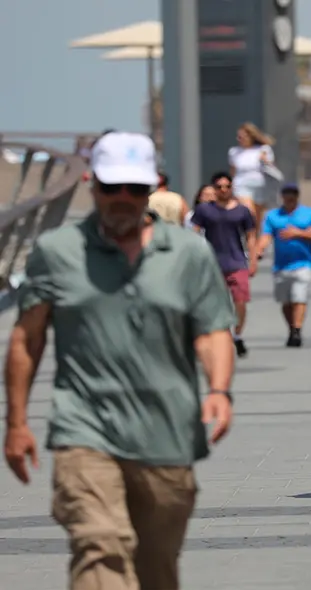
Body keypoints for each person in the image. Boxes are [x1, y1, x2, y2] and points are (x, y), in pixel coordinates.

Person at [4, 132, 235, 589]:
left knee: (156, 569)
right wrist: (16, 422)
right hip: (83, 429)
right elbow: (24, 340)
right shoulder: (58, 252)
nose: (123, 199)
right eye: (112, 188)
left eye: (135, 189)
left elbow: (212, 331)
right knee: (100, 544)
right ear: (93, 186)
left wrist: (219, 390)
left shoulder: (188, 253)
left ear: (151, 188)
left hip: (167, 434)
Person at [250, 183, 311, 347]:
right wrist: (259, 250)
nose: (289, 197)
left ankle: (297, 331)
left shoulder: (309, 214)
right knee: (286, 302)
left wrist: (298, 233)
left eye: (292, 193)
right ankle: (291, 327)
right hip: (281, 266)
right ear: (282, 196)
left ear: (297, 196)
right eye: (286, 193)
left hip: (303, 264)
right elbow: (266, 236)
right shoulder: (273, 216)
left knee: (299, 297)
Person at [190, 172, 257, 357]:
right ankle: (215, 336)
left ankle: (237, 335)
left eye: (227, 186)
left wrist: (253, 259)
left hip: (237, 262)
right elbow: (194, 233)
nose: (223, 190)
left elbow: (250, 236)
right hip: (212, 263)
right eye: (219, 187)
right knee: (211, 303)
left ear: (232, 187)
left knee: (241, 301)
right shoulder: (205, 210)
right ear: (214, 188)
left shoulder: (242, 211)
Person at [229, 122, 275, 240]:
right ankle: (250, 243)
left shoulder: (263, 149)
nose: (240, 139)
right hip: (241, 185)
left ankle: (254, 242)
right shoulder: (234, 151)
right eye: (238, 137)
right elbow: (233, 171)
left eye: (242, 136)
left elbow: (271, 167)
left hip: (259, 186)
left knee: (257, 219)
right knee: (249, 214)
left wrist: (265, 160)